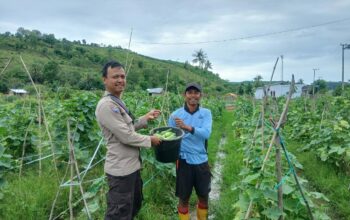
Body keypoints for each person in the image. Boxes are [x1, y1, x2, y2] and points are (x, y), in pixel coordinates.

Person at [95, 60, 161, 220]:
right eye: (115, 76)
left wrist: (145, 118)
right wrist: (151, 140)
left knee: (133, 207)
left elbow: (128, 128)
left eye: (122, 76)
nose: (120, 80)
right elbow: (126, 136)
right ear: (104, 79)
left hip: (131, 167)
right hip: (121, 171)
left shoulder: (117, 102)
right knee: (119, 213)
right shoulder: (107, 105)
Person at [168, 82, 213, 220]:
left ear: (200, 95)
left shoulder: (206, 113)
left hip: (201, 160)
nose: (193, 96)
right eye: (190, 93)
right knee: (183, 199)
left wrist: (187, 127)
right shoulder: (175, 115)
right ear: (185, 95)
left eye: (196, 93)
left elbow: (206, 133)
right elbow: (171, 138)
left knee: (204, 197)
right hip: (183, 161)